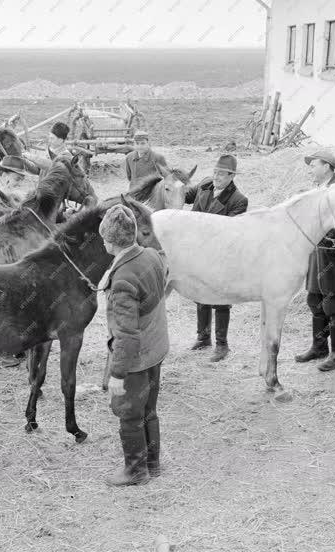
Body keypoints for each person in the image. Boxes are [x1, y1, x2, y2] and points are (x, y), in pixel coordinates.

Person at [101, 204, 169, 486]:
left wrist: (117, 373)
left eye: (104, 237)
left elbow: (127, 335)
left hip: (137, 358)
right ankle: (152, 464)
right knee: (149, 409)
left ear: (111, 241)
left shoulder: (123, 280)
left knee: (129, 412)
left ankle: (135, 470)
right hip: (156, 348)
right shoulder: (152, 255)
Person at [294, 151, 335, 372]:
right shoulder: (317, 192)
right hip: (317, 256)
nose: (310, 169)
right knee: (316, 301)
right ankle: (319, 346)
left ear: (328, 167)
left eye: (314, 165)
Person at [184, 154, 248, 362]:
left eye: (221, 174)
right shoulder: (205, 187)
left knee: (220, 299)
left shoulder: (239, 200)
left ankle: (222, 344)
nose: (216, 176)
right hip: (200, 252)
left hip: (221, 256)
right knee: (201, 294)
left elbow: (229, 232)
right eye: (215, 172)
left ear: (231, 176)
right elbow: (186, 200)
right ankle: (203, 337)